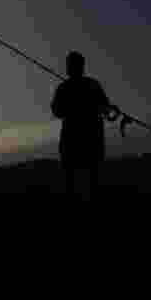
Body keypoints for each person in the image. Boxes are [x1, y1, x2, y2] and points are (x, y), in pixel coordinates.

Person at [51, 51, 112, 200]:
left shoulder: (83, 86)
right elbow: (57, 111)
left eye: (71, 65)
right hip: (78, 144)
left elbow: (105, 107)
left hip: (85, 144)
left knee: (88, 182)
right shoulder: (72, 87)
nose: (69, 68)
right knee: (73, 183)